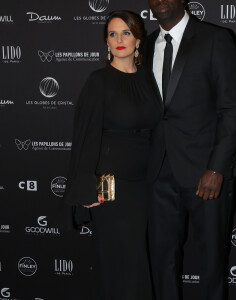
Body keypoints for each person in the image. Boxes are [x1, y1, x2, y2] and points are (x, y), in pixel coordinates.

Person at [144, 0, 236, 300]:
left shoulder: (215, 39)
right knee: (162, 263)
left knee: (211, 264)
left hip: (207, 175)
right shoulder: (146, 45)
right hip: (159, 174)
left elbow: (231, 109)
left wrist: (216, 168)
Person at [64, 10, 160, 300]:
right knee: (123, 262)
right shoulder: (99, 81)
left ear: (138, 40)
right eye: (113, 34)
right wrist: (84, 187)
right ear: (106, 42)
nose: (120, 39)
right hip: (112, 188)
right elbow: (84, 136)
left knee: (137, 260)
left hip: (145, 184)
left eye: (126, 33)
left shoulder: (150, 80)